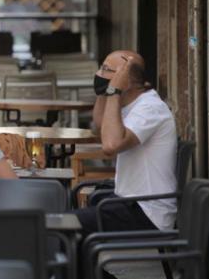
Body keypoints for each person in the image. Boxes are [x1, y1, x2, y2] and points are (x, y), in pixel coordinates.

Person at [72, 50, 177, 279]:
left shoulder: (150, 109)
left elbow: (110, 144)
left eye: (106, 70)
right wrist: (104, 90)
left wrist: (113, 90)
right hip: (131, 205)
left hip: (148, 213)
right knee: (78, 219)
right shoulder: (134, 104)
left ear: (126, 80)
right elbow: (102, 124)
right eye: (101, 67)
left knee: (72, 227)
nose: (99, 73)